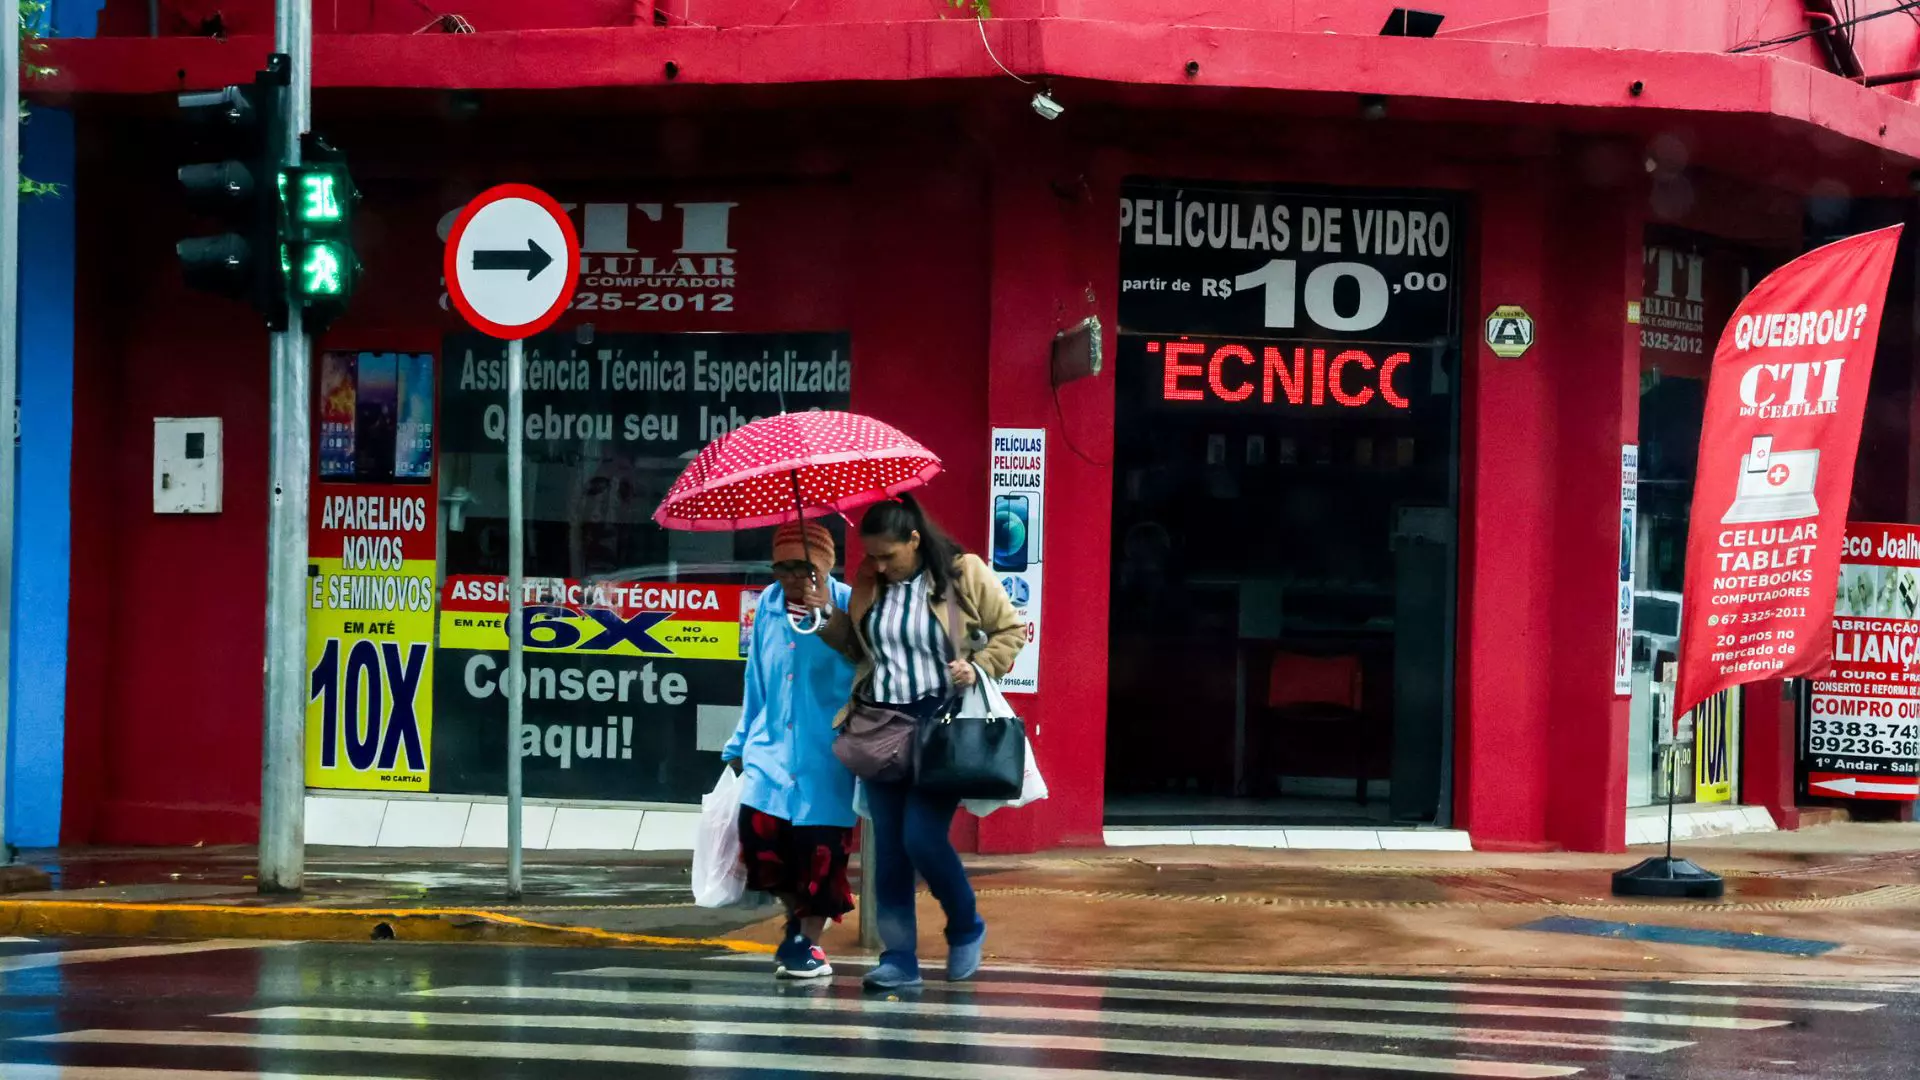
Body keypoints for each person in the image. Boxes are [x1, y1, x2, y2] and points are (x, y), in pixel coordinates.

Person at [821, 493, 1026, 990]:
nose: (879, 565)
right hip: (878, 728)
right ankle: (899, 959)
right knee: (888, 851)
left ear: (915, 539)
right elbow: (857, 650)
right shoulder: (871, 582)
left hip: (940, 729)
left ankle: (965, 923)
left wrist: (975, 667)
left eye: (889, 555)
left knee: (921, 837)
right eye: (872, 555)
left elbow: (1010, 631)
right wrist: (826, 616)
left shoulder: (961, 575)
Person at [721, 521, 858, 979]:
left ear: (823, 565)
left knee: (819, 856)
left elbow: (865, 655)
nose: (792, 578)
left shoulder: (847, 601)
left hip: (828, 755)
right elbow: (755, 678)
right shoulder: (768, 606)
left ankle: (804, 941)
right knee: (758, 838)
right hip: (771, 749)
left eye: (802, 568)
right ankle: (795, 916)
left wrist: (828, 616)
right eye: (782, 568)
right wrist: (740, 741)